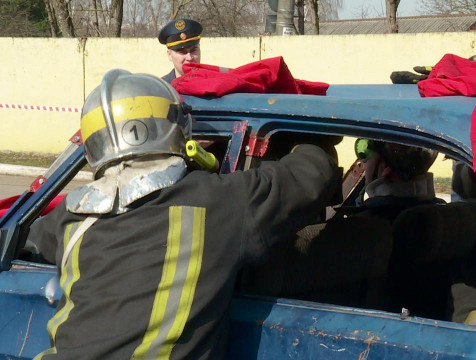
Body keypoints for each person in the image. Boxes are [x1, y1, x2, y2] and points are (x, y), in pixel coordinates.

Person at [29, 69, 340, 359]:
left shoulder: (70, 217)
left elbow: (25, 239)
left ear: (93, 147)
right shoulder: (222, 202)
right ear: (177, 129)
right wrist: (304, 136)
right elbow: (312, 173)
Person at [352, 138, 441, 222]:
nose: (364, 163)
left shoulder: (364, 225)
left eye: (366, 155)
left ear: (386, 169)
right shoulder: (440, 212)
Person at [158, 18, 202, 84]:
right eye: (182, 52)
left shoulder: (215, 86)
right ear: (169, 55)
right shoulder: (162, 89)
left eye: (193, 50)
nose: (189, 58)